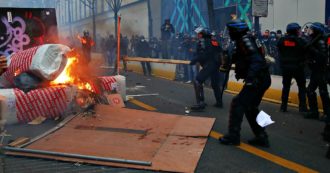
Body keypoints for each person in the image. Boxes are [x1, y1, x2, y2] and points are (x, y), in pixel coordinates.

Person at [219, 20, 271, 147]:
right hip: (262, 78)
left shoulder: (245, 40)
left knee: (238, 103)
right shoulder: (244, 39)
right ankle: (261, 136)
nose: (229, 33)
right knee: (250, 107)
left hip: (257, 79)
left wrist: (251, 79)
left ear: (237, 31)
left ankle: (233, 136)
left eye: (231, 30)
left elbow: (257, 60)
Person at [189, 26, 223, 111]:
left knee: (197, 81)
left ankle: (200, 103)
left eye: (199, 34)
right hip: (216, 65)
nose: (198, 35)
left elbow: (202, 55)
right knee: (215, 84)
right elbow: (221, 52)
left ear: (202, 34)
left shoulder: (202, 42)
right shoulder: (214, 41)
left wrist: (193, 60)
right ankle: (219, 102)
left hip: (209, 64)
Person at [277, 23, 308, 113]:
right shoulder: (301, 41)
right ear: (295, 30)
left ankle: (283, 106)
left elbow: (279, 49)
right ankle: (303, 108)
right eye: (298, 29)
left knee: (286, 87)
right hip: (298, 68)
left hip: (286, 68)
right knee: (302, 87)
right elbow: (306, 50)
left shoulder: (282, 40)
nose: (299, 31)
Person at [305, 22, 330, 120]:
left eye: (312, 29)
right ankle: (314, 112)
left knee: (323, 92)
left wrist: (312, 49)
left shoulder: (320, 41)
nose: (310, 31)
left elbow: (322, 56)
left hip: (321, 70)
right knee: (310, 90)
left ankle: (327, 114)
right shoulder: (314, 40)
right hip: (316, 70)